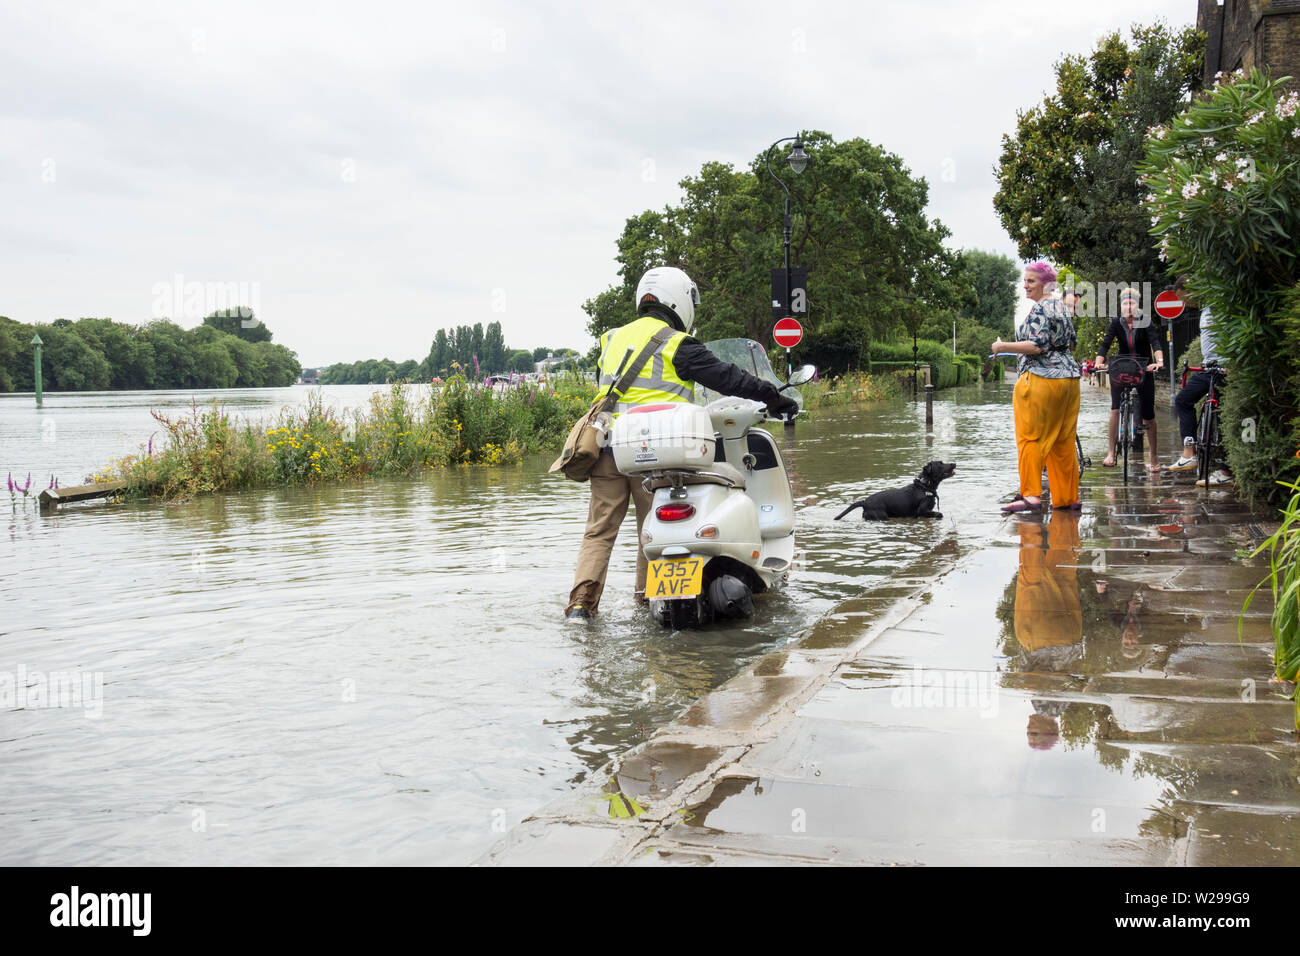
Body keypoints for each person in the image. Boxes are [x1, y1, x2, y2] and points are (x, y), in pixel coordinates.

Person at [564, 266, 800, 620]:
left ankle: (580, 608)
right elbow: (729, 377)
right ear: (679, 301)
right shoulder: (677, 344)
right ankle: (648, 604)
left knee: (598, 532)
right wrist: (774, 397)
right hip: (657, 456)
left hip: (609, 448)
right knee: (654, 532)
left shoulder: (610, 339)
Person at [992, 261, 1081, 513]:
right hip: (1070, 380)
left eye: (1031, 281)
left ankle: (1030, 495)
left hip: (1041, 380)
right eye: (1025, 280)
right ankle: (1067, 498)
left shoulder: (1041, 308)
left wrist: (1002, 346)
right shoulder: (1062, 307)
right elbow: (1071, 343)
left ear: (1045, 284)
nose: (1025, 285)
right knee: (1063, 441)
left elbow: (1037, 345)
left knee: (1030, 438)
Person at [1095, 288, 1164, 472]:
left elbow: (1155, 342)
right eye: (1125, 303)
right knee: (1115, 409)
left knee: (1149, 416)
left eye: (1132, 303)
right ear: (1121, 305)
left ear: (1138, 305)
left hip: (1144, 368)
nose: (1129, 306)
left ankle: (1154, 458)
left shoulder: (1145, 321)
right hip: (1123, 367)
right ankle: (1111, 453)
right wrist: (1099, 362)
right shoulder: (1116, 323)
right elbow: (1105, 344)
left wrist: (1159, 361)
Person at [1169, 306, 1232, 485]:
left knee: (1224, 416)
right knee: (1182, 400)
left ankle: (1226, 470)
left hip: (1224, 368)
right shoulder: (1205, 310)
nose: (1186, 302)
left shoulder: (1222, 303)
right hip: (1208, 368)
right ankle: (1189, 453)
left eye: (1185, 296)